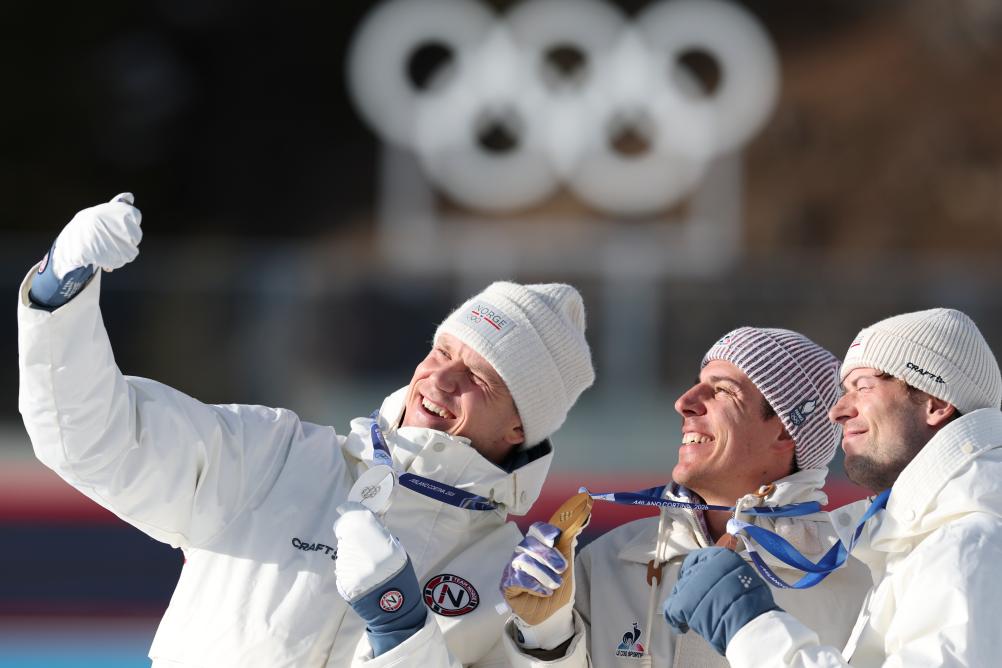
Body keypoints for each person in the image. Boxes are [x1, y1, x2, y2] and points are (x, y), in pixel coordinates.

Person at [18, 194, 595, 667]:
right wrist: (60, 291)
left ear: (519, 425)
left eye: (478, 377)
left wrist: (404, 626)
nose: (440, 379)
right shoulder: (274, 457)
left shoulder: (511, 583)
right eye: (442, 350)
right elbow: (100, 441)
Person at [500, 327, 871, 666]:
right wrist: (545, 637)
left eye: (723, 390)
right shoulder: (606, 562)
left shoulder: (858, 581)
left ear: (786, 432)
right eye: (697, 384)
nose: (684, 402)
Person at [663, 308, 1002, 667]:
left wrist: (750, 627)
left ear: (936, 403)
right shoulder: (928, 542)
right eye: (844, 391)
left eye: (863, 387)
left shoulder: (970, 543)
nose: (837, 411)